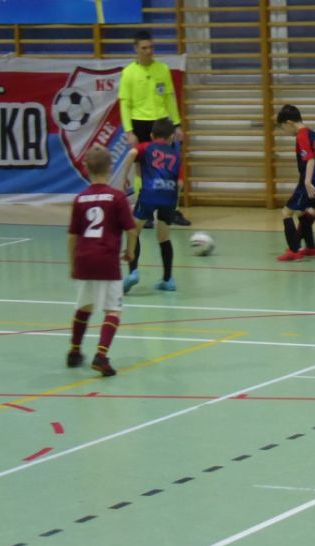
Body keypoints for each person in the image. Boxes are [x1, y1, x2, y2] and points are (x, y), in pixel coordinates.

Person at [66, 145, 136, 377]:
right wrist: (130, 252)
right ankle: (101, 355)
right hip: (107, 259)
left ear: (86, 169)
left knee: (84, 306)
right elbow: (131, 230)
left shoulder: (80, 199)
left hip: (84, 259)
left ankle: (74, 351)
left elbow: (72, 236)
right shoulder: (117, 197)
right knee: (113, 310)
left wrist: (72, 264)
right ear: (110, 167)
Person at [118, 29, 191, 227]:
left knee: (171, 167)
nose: (148, 51)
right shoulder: (128, 73)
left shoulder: (162, 69)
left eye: (151, 47)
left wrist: (177, 124)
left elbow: (169, 98)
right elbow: (125, 104)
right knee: (141, 169)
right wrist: (129, 131)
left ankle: (172, 210)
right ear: (136, 49)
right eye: (144, 48)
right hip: (139, 123)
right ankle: (145, 212)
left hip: (162, 123)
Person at [121, 117, 181, 293]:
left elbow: (131, 154)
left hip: (149, 194)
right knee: (164, 237)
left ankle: (133, 272)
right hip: (169, 196)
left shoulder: (146, 147)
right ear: (171, 137)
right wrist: (174, 201)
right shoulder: (176, 154)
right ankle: (168, 279)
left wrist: (124, 178)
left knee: (133, 231)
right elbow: (180, 183)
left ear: (152, 135)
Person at [275, 104, 315, 262]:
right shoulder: (313, 133)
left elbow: (310, 159)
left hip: (310, 181)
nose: (285, 131)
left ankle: (294, 250)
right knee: (302, 213)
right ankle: (311, 247)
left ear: (289, 123)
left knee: (286, 212)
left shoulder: (302, 135)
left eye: (283, 127)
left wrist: (307, 181)